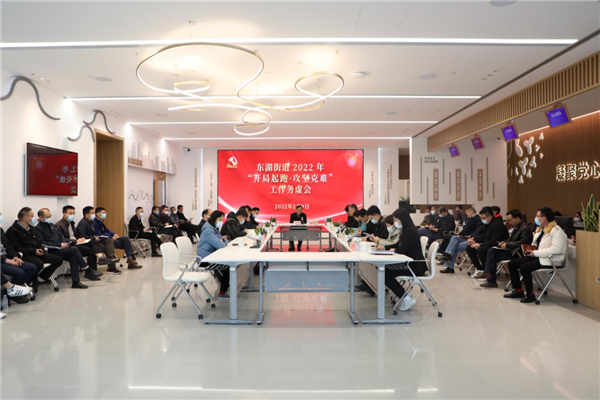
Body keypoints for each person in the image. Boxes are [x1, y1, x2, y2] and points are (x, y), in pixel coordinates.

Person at [504, 207, 567, 303]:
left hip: (551, 259)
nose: (536, 218)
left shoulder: (557, 231)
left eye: (538, 216)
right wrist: (530, 250)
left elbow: (555, 249)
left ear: (544, 218)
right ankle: (518, 290)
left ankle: (530, 294)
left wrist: (535, 252)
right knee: (512, 264)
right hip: (539, 256)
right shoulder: (541, 230)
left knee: (524, 267)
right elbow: (536, 245)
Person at [375, 209, 425, 311]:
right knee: (385, 271)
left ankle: (406, 299)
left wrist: (393, 250)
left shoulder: (409, 231)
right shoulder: (407, 230)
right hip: (411, 264)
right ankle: (404, 295)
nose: (395, 223)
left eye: (396, 220)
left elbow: (401, 250)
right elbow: (398, 245)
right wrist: (385, 248)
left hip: (414, 266)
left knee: (385, 274)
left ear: (402, 219)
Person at [36, 208, 97, 288]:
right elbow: (42, 243)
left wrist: (68, 242)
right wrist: (59, 245)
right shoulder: (38, 228)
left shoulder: (52, 225)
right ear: (41, 217)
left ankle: (76, 282)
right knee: (74, 249)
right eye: (47, 217)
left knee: (73, 257)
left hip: (60, 249)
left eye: (50, 216)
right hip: (51, 251)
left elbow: (61, 237)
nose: (50, 218)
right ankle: (87, 269)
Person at [5, 207, 63, 291]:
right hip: (24, 254)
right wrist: (33, 251)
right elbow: (16, 247)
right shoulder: (12, 231)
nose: (34, 218)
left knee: (58, 259)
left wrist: (41, 249)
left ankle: (41, 277)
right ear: (25, 218)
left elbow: (38, 242)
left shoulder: (32, 229)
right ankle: (27, 283)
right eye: (32, 216)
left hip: (36, 252)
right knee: (38, 264)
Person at [479, 209, 533, 288]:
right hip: (512, 250)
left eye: (510, 220)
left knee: (491, 256)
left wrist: (507, 244)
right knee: (491, 251)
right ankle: (488, 274)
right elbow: (512, 239)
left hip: (518, 252)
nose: (509, 222)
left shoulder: (525, 228)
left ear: (517, 218)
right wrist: (504, 242)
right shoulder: (517, 227)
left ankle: (489, 277)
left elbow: (524, 242)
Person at [56, 205, 107, 281]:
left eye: (74, 213)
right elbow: (62, 239)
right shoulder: (59, 225)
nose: (72, 215)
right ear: (64, 214)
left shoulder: (71, 223)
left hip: (76, 243)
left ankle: (93, 271)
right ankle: (93, 268)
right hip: (69, 245)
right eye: (70, 213)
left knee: (91, 245)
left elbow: (75, 235)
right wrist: (76, 241)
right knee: (90, 249)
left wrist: (80, 239)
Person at [465, 207, 509, 279]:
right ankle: (481, 269)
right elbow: (485, 236)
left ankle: (488, 271)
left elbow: (494, 240)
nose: (482, 220)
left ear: (490, 216)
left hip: (497, 246)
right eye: (481, 218)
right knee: (469, 248)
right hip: (488, 243)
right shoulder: (488, 224)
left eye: (484, 218)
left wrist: (480, 245)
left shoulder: (497, 225)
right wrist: (474, 239)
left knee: (481, 250)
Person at [76, 206, 121, 275]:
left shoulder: (91, 222)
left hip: (94, 241)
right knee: (107, 247)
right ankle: (107, 264)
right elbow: (82, 236)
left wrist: (97, 237)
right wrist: (94, 238)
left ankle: (111, 258)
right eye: (92, 213)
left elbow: (98, 232)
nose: (94, 215)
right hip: (87, 243)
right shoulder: (82, 223)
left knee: (109, 241)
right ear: (86, 214)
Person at [196, 210, 230, 299]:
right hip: (204, 260)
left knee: (227, 264)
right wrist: (222, 240)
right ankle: (222, 292)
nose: (221, 222)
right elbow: (221, 245)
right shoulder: (208, 231)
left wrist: (222, 240)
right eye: (220, 220)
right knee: (227, 265)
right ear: (214, 219)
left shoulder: (213, 229)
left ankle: (225, 285)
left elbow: (224, 239)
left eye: (222, 220)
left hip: (210, 256)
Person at [439, 207, 484, 273]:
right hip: (470, 238)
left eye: (467, 214)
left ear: (471, 212)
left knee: (454, 245)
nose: (466, 216)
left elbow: (466, 229)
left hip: (473, 240)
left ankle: (449, 264)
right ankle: (448, 254)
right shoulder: (478, 220)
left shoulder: (473, 219)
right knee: (454, 238)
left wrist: (460, 234)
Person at [1, 222, 38, 297]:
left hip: (6, 257)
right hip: (2, 261)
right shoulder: (13, 230)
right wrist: (6, 260)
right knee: (20, 272)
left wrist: (15, 256)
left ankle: (10, 291)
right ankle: (12, 291)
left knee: (32, 268)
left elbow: (8, 245)